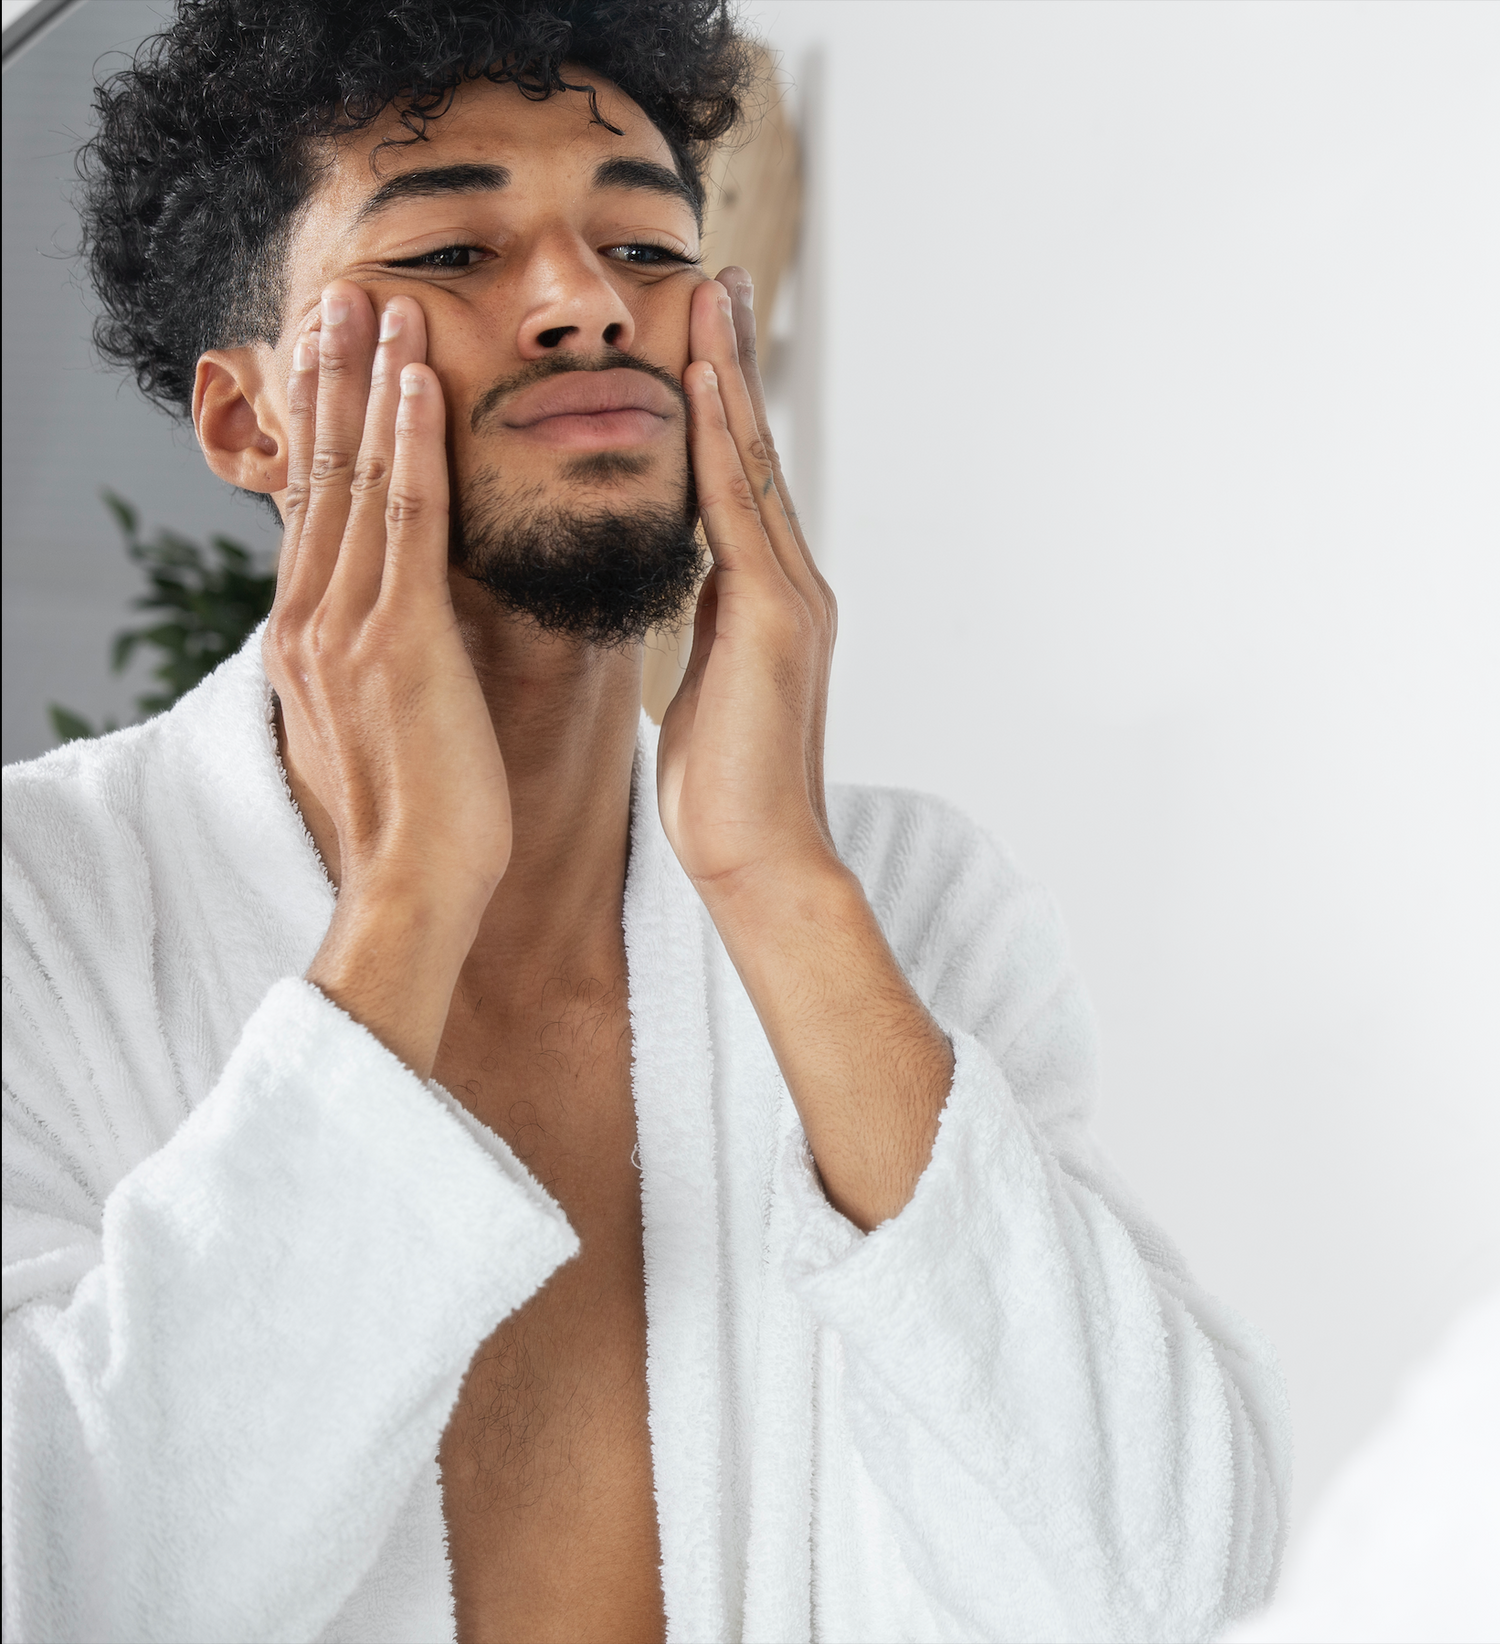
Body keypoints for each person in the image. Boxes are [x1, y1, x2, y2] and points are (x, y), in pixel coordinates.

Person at [0, 3, 1290, 1640]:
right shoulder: (38, 914)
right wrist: (406, 903)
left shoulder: (900, 900)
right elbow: (70, 1594)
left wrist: (780, 885)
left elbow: (1162, 1583)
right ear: (250, 419)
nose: (585, 303)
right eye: (455, 249)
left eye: (644, 238)